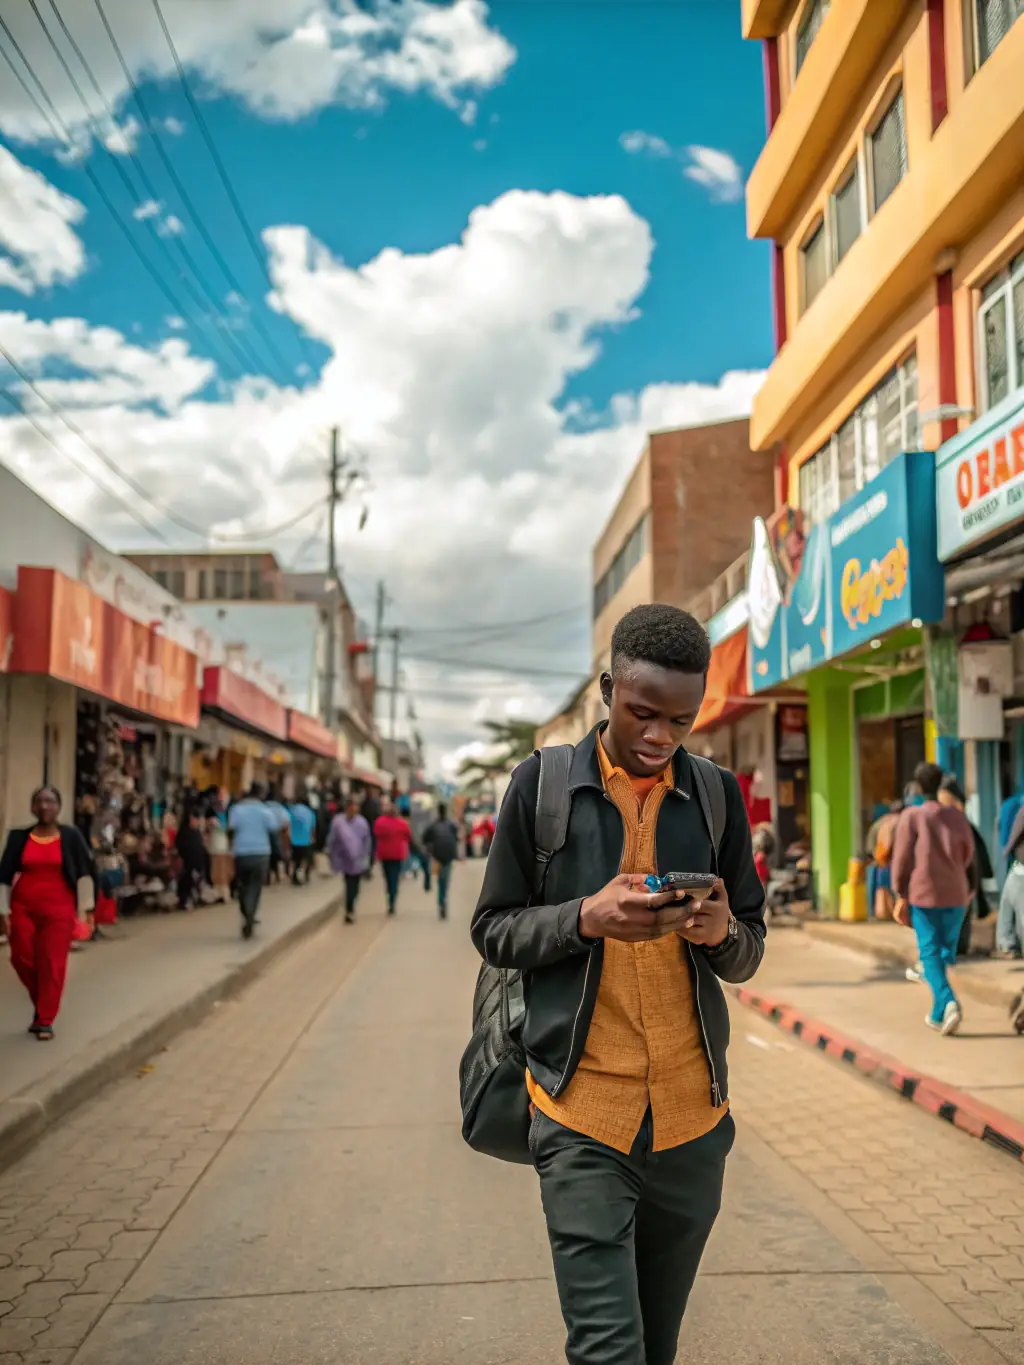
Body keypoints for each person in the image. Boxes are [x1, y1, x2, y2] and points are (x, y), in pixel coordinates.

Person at [472, 603, 766, 1365]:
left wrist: (721, 934)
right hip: (579, 1116)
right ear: (608, 689)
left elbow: (750, 947)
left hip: (692, 1125)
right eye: (641, 711)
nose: (660, 736)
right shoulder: (542, 788)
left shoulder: (715, 796)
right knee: (609, 1350)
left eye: (680, 718)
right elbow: (494, 927)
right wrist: (584, 917)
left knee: (655, 1346)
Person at [0, 786, 95, 1040]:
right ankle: (43, 1001)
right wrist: (2, 911)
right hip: (23, 906)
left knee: (52, 963)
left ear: (58, 806)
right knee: (21, 957)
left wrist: (87, 910)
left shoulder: (71, 836)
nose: (44, 806)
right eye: (39, 801)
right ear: (32, 807)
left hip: (59, 909)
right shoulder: (19, 837)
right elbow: (4, 878)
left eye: (50, 801)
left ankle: (44, 1019)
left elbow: (85, 873)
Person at [891, 761, 975, 1035]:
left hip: (925, 894)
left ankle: (949, 1003)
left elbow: (902, 859)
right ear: (940, 784)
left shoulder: (912, 816)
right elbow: (968, 853)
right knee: (941, 953)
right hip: (957, 894)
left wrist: (900, 892)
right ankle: (938, 1014)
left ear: (917, 786)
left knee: (929, 952)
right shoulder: (957, 816)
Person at [938, 775, 993, 957]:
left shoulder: (963, 827)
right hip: (950, 883)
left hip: (962, 881)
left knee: (961, 919)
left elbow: (976, 858)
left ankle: (957, 948)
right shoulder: (944, 826)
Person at [228, 784, 279, 939]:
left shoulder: (236, 809)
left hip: (241, 853)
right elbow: (273, 830)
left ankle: (246, 912)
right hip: (261, 853)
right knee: (255, 887)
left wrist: (232, 847)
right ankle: (250, 914)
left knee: (242, 886)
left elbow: (230, 830)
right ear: (261, 794)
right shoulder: (265, 811)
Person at [327, 797, 373, 923]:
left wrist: (366, 856)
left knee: (355, 887)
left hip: (358, 859)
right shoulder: (338, 822)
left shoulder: (362, 823)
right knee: (349, 884)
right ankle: (349, 909)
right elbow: (332, 839)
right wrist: (330, 853)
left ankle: (351, 905)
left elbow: (367, 840)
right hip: (344, 858)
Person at [374, 796, 413, 915]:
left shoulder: (380, 822)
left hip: (385, 855)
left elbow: (376, 833)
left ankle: (391, 899)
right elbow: (408, 837)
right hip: (396, 856)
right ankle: (392, 900)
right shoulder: (402, 824)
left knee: (388, 879)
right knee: (394, 879)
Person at [422, 803, 461, 919]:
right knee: (445, 879)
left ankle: (441, 902)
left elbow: (425, 838)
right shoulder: (451, 825)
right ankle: (444, 900)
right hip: (449, 855)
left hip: (437, 856)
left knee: (440, 881)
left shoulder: (433, 825)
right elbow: (456, 837)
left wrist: (430, 847)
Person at [175, 804, 208, 910]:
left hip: (198, 862)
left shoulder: (196, 833)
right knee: (187, 878)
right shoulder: (183, 833)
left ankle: (195, 897)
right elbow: (180, 848)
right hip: (186, 863)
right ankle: (184, 899)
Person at [288, 789, 317, 887]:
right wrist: (313, 838)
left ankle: (294, 876)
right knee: (307, 859)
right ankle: (306, 875)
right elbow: (312, 827)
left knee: (296, 860)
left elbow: (287, 823)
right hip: (306, 839)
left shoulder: (292, 810)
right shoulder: (310, 812)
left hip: (294, 839)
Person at [265, 787, 291, 885]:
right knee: (277, 856)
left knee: (268, 857)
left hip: (265, 835)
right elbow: (286, 824)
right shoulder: (281, 809)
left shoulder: (263, 807)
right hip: (277, 834)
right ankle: (278, 875)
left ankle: (267, 877)